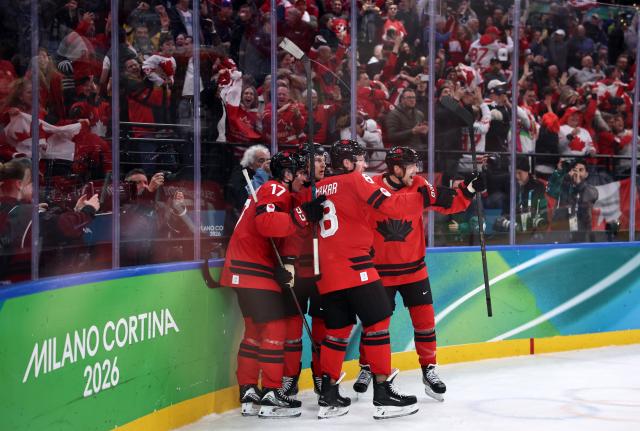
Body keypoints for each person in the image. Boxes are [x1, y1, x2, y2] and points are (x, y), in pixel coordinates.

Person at [307, 139, 443, 420]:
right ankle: (383, 393)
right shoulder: (355, 180)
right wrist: (423, 197)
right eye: (359, 159)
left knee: (337, 330)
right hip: (357, 267)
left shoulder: (319, 187)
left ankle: (328, 396)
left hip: (327, 272)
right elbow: (389, 205)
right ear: (346, 163)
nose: (364, 165)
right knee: (379, 322)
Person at [352, 146, 477, 402]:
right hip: (380, 272)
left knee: (425, 324)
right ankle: (367, 367)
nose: (416, 170)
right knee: (375, 327)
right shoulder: (372, 186)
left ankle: (429, 369)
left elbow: (449, 202)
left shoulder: (418, 183)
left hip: (414, 270)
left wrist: (470, 189)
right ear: (396, 169)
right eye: (411, 166)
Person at [219, 151, 325, 418]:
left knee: (254, 331)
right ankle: (272, 392)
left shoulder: (278, 192)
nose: (304, 178)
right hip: (252, 269)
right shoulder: (275, 188)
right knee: (275, 328)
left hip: (244, 268)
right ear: (287, 175)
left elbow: (275, 233)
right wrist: (301, 216)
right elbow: (266, 224)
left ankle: (249, 389)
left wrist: (285, 262)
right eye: (301, 173)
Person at [280, 145, 328, 397]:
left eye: (322, 160)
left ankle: (321, 375)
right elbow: (290, 231)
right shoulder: (298, 193)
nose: (320, 164)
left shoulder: (332, 190)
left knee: (322, 328)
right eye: (315, 160)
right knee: (291, 330)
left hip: (323, 272)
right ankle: (290, 376)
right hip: (298, 270)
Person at [493, 156, 548, 241]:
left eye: (519, 173)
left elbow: (542, 213)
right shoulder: (510, 187)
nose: (517, 176)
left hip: (532, 233)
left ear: (527, 171)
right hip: (514, 233)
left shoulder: (538, 186)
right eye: (514, 173)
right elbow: (505, 213)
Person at [546, 159, 598, 243]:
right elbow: (549, 190)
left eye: (581, 170)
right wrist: (559, 171)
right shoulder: (565, 186)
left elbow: (589, 197)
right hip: (561, 234)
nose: (577, 173)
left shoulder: (591, 190)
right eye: (575, 170)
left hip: (582, 236)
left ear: (586, 174)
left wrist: (579, 184)